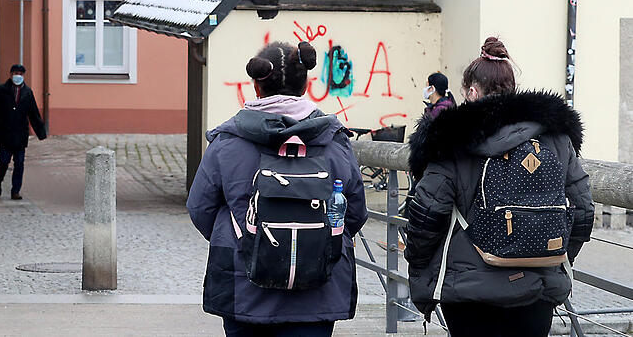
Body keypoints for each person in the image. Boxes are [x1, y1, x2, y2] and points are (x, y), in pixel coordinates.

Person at [405, 37, 594, 337]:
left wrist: (420, 272)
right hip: (537, 291)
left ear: (471, 92)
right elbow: (583, 211)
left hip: (469, 294)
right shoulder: (556, 139)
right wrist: (554, 255)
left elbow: (427, 217)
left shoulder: (451, 141)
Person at [187, 41, 367, 337]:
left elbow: (200, 208)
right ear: (306, 83)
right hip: (317, 292)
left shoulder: (228, 142)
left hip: (245, 288)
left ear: (257, 86)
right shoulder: (334, 141)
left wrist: (247, 241)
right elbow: (355, 210)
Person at [0, 64, 46, 200]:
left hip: (20, 134)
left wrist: (41, 133)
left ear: (23, 76)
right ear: (10, 74)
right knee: (4, 161)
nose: (18, 76)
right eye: (16, 73)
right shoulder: (1, 90)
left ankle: (15, 190)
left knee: (19, 162)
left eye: (21, 74)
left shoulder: (27, 92)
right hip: (4, 133)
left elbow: (34, 114)